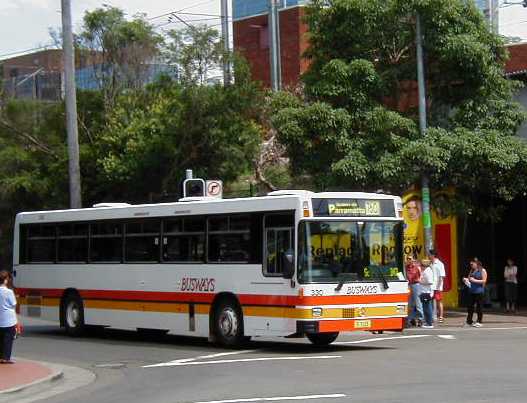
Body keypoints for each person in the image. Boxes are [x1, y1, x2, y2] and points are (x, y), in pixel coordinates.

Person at [0, 271, 18, 364]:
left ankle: (1, 357)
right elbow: (14, 304)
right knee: (8, 339)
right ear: (6, 280)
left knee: (1, 339)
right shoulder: (9, 292)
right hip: (9, 320)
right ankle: (6, 358)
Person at [464, 260, 487, 327]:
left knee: (479, 307)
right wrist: (466, 280)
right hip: (471, 291)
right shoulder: (471, 270)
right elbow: (469, 279)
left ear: (477, 264)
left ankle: (479, 321)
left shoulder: (482, 270)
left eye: (472, 264)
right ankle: (469, 321)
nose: (471, 265)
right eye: (470, 264)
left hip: (479, 291)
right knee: (470, 307)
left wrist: (475, 280)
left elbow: (484, 280)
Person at [429, 249, 446, 323]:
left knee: (439, 301)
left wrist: (439, 286)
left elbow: (442, 276)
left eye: (429, 254)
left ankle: (441, 316)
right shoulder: (430, 263)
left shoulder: (440, 264)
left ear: (433, 255)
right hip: (431, 286)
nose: (428, 256)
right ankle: (432, 316)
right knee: (430, 301)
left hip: (437, 286)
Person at [405, 255, 423, 327]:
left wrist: (420, 280)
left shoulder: (416, 266)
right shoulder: (406, 267)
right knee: (411, 303)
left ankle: (420, 319)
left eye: (410, 259)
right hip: (410, 284)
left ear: (413, 260)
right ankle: (411, 319)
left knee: (418, 302)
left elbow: (421, 275)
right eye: (408, 259)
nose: (408, 260)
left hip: (416, 284)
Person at [419, 259, 435, 328]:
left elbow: (430, 281)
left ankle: (429, 323)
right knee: (426, 307)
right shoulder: (427, 271)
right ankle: (428, 322)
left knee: (427, 308)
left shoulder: (427, 271)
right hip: (425, 291)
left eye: (421, 265)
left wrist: (421, 281)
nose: (420, 267)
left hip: (426, 291)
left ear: (424, 265)